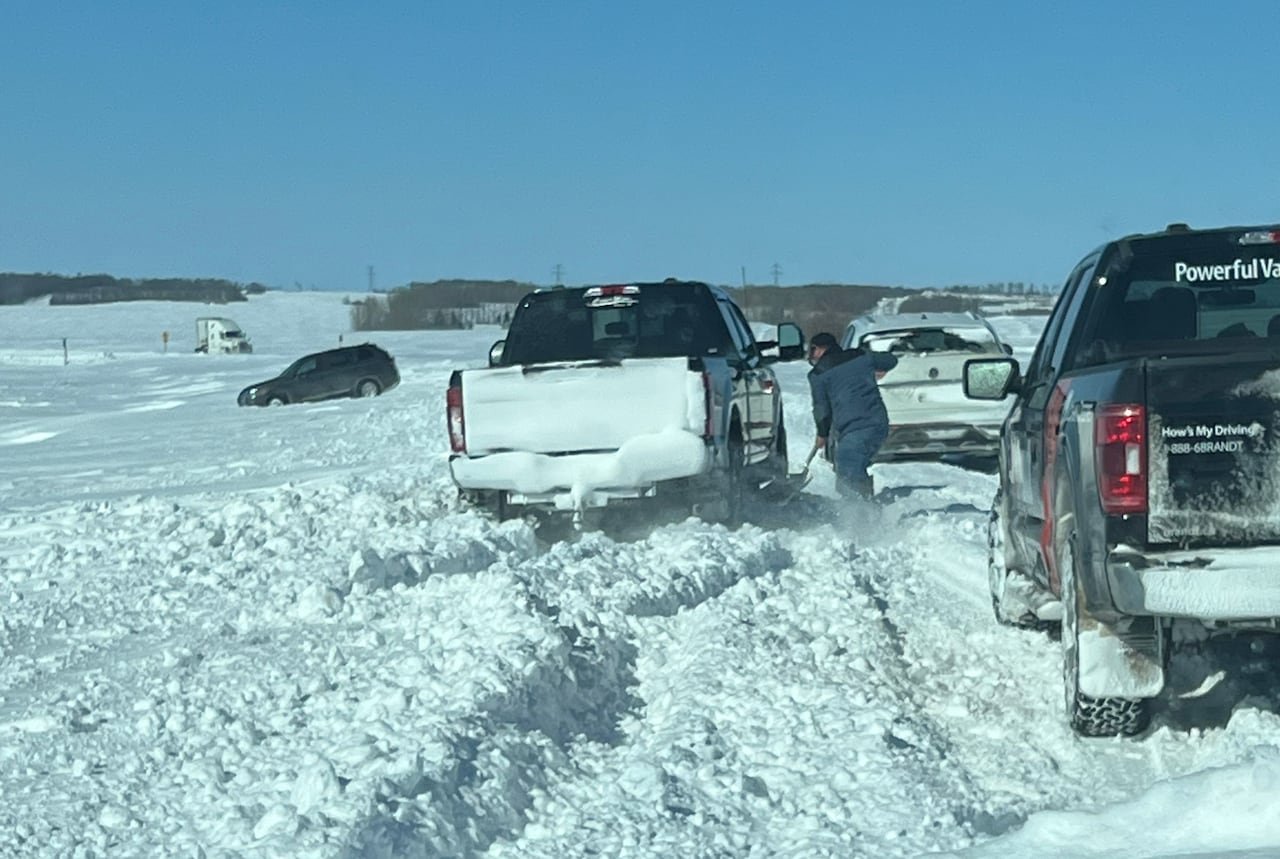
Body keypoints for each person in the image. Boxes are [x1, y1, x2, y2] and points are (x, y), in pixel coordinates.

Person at [807, 332, 899, 499]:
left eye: (812, 350)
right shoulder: (862, 356)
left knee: (848, 470)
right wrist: (874, 366)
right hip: (878, 424)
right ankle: (862, 507)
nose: (811, 355)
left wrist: (822, 433)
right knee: (852, 465)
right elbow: (891, 360)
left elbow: (822, 409)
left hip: (856, 428)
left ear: (819, 349)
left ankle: (861, 515)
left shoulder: (818, 374)